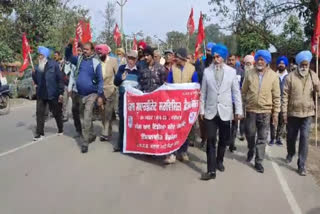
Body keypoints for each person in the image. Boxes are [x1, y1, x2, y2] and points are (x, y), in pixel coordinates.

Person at [200, 44, 243, 180]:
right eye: (214, 56)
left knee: (224, 139)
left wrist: (239, 111)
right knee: (211, 140)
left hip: (226, 111)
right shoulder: (207, 72)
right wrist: (201, 109)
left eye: (218, 56)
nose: (215, 58)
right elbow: (203, 93)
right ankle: (211, 170)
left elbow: (236, 93)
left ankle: (219, 160)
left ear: (223, 57)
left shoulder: (231, 72)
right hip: (210, 111)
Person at [242, 50, 280, 173]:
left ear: (267, 61)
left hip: (265, 111)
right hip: (251, 110)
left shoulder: (273, 76)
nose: (259, 61)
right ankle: (251, 149)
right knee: (250, 134)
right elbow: (243, 92)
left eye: (262, 60)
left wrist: (276, 113)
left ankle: (258, 161)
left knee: (262, 138)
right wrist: (242, 108)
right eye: (258, 59)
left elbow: (276, 96)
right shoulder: (249, 74)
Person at [282, 51, 319, 176]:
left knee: (304, 137)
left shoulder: (313, 75)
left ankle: (301, 165)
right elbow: (285, 96)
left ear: (309, 65)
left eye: (306, 65)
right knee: (291, 137)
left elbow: (318, 91)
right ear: (298, 64)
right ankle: (290, 152)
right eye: (302, 65)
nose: (304, 67)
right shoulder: (290, 77)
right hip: (293, 113)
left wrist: (317, 85)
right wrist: (284, 112)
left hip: (308, 113)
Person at [65, 41, 104, 153]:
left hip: (92, 94)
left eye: (86, 49)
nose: (84, 51)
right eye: (83, 49)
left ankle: (85, 142)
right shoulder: (79, 60)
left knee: (87, 117)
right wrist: (69, 46)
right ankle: (91, 135)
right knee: (85, 118)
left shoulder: (96, 62)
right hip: (80, 94)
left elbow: (100, 80)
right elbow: (68, 56)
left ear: (92, 50)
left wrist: (100, 95)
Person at [164, 47, 199, 164]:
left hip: (187, 105)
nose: (175, 59)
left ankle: (183, 151)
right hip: (175, 104)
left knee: (185, 129)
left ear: (182, 58)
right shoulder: (173, 69)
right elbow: (168, 84)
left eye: (177, 57)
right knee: (173, 128)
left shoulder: (192, 69)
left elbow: (195, 85)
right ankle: (172, 153)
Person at [32, 46, 64, 141]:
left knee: (56, 112)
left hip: (52, 93)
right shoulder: (37, 67)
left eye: (41, 55)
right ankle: (40, 133)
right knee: (40, 113)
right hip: (41, 93)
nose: (39, 57)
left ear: (45, 55)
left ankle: (60, 129)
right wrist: (33, 74)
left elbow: (60, 79)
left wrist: (61, 92)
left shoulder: (53, 65)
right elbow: (36, 81)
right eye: (39, 55)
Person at [114, 50, 140, 152]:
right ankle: (120, 144)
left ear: (136, 60)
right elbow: (115, 82)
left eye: (133, 58)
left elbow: (141, 84)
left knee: (134, 122)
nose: (131, 60)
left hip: (134, 101)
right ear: (126, 58)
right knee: (122, 121)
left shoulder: (139, 70)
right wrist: (121, 78)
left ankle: (134, 144)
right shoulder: (121, 68)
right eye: (129, 58)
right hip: (123, 99)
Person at [95, 44, 118, 142]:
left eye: (101, 53)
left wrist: (115, 87)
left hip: (111, 90)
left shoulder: (113, 61)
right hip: (100, 90)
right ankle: (107, 129)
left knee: (108, 111)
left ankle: (105, 133)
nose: (99, 54)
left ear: (105, 52)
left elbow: (117, 75)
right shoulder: (96, 63)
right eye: (98, 53)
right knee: (102, 113)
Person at [269, 56, 289, 146]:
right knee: (273, 120)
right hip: (274, 101)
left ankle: (278, 138)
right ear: (277, 65)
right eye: (280, 63)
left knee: (281, 121)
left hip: (284, 102)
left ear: (286, 65)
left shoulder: (289, 76)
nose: (281, 65)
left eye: (283, 63)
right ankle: (272, 138)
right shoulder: (273, 75)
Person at [227, 54, 245, 152]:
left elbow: (243, 87)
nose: (230, 62)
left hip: (235, 102)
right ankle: (225, 139)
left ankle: (232, 143)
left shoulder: (241, 72)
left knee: (234, 123)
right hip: (224, 101)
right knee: (225, 122)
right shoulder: (223, 71)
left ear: (236, 61)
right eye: (229, 60)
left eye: (232, 60)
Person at [67, 43, 83, 138]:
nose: (79, 52)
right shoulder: (74, 63)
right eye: (78, 51)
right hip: (75, 91)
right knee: (74, 110)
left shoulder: (87, 62)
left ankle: (88, 130)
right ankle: (78, 130)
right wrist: (69, 89)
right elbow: (72, 77)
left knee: (85, 112)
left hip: (85, 91)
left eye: (80, 51)